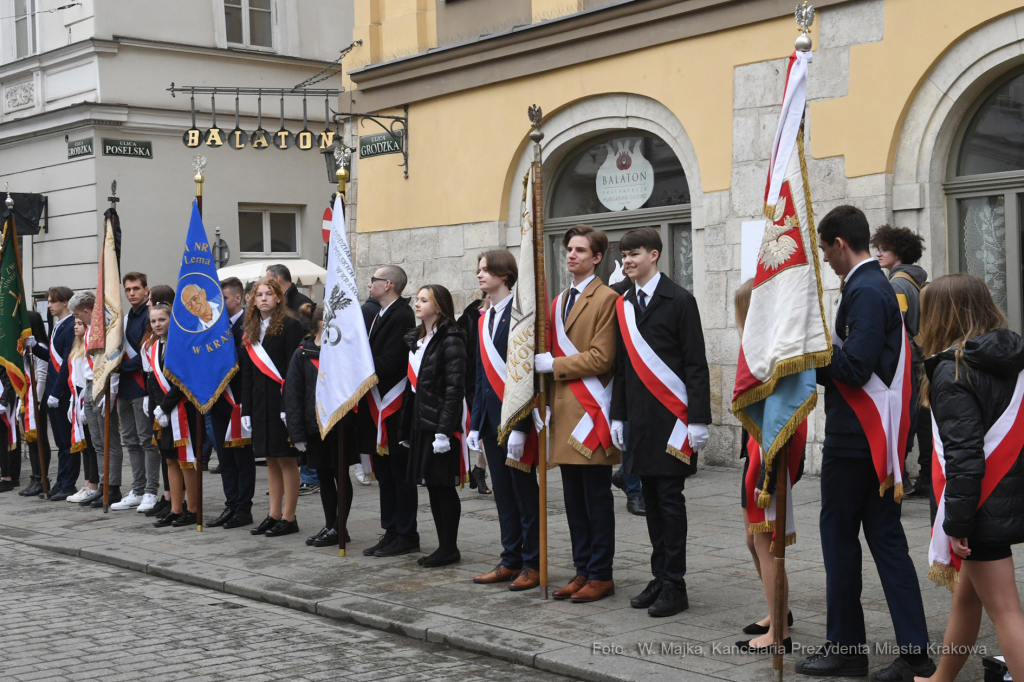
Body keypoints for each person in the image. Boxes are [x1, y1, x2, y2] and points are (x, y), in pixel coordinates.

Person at [798, 206, 933, 680]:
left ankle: (849, 648)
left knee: (842, 542)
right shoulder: (870, 285)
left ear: (840, 243)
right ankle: (912, 653)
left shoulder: (867, 289)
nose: (824, 259)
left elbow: (855, 368)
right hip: (865, 439)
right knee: (886, 542)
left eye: (825, 249)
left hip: (856, 441)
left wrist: (803, 355)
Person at [916, 274, 1024, 682]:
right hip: (1002, 496)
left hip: (981, 506)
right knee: (967, 599)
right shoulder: (1007, 358)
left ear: (941, 316)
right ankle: (941, 678)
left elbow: (963, 456)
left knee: (1006, 611)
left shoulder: (953, 371)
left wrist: (957, 523)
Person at [609, 227, 711, 618]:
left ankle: (676, 585)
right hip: (639, 421)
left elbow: (696, 364)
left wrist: (698, 419)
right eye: (624, 255)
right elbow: (622, 366)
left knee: (669, 502)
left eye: (634, 254)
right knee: (650, 503)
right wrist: (618, 414)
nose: (627, 261)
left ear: (654, 255)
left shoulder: (680, 300)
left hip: (673, 422)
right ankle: (660, 576)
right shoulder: (623, 302)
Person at [535, 224, 619, 604]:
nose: (572, 254)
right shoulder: (558, 301)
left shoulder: (607, 299)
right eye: (569, 248)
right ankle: (582, 569)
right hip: (564, 413)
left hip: (591, 413)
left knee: (596, 499)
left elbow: (602, 358)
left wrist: (554, 365)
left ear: (597, 257)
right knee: (573, 500)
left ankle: (601, 574)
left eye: (581, 250)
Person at [729, 277, 804, 651]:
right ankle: (778, 612)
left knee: (765, 542)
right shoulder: (761, 348)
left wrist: (765, 472)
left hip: (768, 454)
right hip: (757, 451)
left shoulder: (770, 352)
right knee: (754, 539)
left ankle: (779, 636)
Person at [468, 251, 540, 591]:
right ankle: (510, 558)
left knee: (525, 496)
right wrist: (475, 423)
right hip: (490, 422)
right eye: (479, 269)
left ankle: (533, 562)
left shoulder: (522, 315)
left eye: (486, 270)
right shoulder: (484, 318)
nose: (480, 275)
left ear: (505, 275)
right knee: (503, 496)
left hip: (515, 422)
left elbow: (526, 377)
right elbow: (480, 376)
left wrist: (521, 427)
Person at [401, 284, 467, 567]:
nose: (417, 304)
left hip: (441, 424)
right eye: (417, 299)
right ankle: (443, 546)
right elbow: (413, 389)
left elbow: (454, 389)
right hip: (422, 423)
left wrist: (443, 431)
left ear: (438, 307)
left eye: (424, 300)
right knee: (432, 486)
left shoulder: (451, 339)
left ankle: (449, 547)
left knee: (443, 486)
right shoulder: (417, 338)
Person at [285, 306, 358, 548]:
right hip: (315, 427)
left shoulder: (341, 352)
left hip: (340, 425)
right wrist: (297, 433)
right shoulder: (302, 353)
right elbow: (293, 394)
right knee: (324, 477)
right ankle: (330, 525)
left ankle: (340, 527)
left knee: (340, 474)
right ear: (321, 325)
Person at [359, 265, 420, 558]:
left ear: (388, 284)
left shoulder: (402, 315)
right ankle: (391, 530)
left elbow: (392, 361)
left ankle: (406, 533)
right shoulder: (380, 313)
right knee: (384, 472)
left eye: (374, 280)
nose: (369, 284)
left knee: (399, 472)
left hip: (394, 406)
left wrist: (359, 369)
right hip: (378, 403)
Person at [241, 277, 304, 538]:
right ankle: (274, 514)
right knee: (270, 460)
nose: (264, 298)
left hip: (281, 403)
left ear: (278, 298)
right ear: (253, 300)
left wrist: (288, 404)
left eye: (269, 294)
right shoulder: (252, 328)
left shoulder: (290, 325)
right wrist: (245, 409)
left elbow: (294, 369)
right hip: (260, 404)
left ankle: (289, 517)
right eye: (259, 295)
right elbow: (247, 372)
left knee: (286, 459)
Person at [871, 225, 931, 500]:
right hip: (922, 359)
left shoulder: (896, 284)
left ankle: (901, 479)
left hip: (907, 361)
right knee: (923, 420)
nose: (878, 253)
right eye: (878, 248)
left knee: (903, 418)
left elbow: (897, 328)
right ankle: (927, 477)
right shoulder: (916, 280)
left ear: (900, 252)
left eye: (885, 249)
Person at [64, 291, 125, 508]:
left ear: (87, 311)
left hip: (103, 384)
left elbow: (111, 359)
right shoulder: (90, 331)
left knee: (109, 440)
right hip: (90, 386)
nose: (76, 318)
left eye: (77, 314)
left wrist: (111, 391)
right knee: (98, 441)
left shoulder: (104, 330)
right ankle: (102, 485)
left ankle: (113, 487)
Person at [206, 277, 256, 530]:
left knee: (241, 457)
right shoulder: (215, 327)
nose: (218, 304)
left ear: (238, 298)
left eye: (223, 299)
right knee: (225, 457)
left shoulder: (249, 325)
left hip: (238, 400)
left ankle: (243, 508)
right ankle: (231, 503)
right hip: (219, 399)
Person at [145, 303, 201, 528]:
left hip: (183, 410)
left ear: (172, 320)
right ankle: (176, 508)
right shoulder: (154, 346)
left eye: (162, 320)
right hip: (163, 412)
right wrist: (155, 408)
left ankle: (193, 509)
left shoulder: (182, 344)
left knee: (185, 460)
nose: (157, 324)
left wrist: (165, 407)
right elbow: (153, 380)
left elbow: (183, 381)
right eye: (153, 321)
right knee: (169, 459)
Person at [113, 272, 162, 512]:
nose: (131, 293)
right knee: (130, 441)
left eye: (136, 288)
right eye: (128, 289)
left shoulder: (149, 317)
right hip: (124, 388)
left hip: (143, 387)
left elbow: (147, 354)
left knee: (147, 441)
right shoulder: (125, 319)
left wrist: (117, 366)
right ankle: (138, 489)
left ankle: (151, 491)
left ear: (146, 290)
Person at [34, 286, 77, 500]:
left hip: (62, 392)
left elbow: (67, 363)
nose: (49, 305)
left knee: (68, 442)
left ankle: (69, 484)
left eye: (53, 301)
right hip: (53, 391)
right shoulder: (57, 325)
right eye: (49, 301)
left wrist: (57, 392)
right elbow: (52, 360)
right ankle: (60, 482)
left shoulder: (71, 325)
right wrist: (34, 347)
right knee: (60, 442)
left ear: (65, 302)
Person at [608, 274, 644, 516]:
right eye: (627, 256)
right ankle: (634, 493)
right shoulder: (616, 293)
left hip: (651, 375)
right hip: (622, 374)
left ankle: (623, 474)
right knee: (629, 438)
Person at [63, 298, 100, 504]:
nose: (76, 325)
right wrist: (73, 403)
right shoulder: (76, 347)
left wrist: (84, 401)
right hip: (77, 397)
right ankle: (87, 483)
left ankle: (94, 484)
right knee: (85, 444)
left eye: (79, 322)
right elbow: (74, 378)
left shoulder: (88, 343)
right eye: (75, 323)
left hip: (87, 394)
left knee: (92, 444)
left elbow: (88, 374)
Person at [457, 291, 491, 495]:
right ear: (485, 296)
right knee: (484, 428)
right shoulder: (470, 318)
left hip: (496, 379)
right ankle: (497, 474)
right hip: (474, 382)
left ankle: (479, 468)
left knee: (489, 428)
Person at [18, 310, 50, 497]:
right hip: (27, 398)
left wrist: (36, 401)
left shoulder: (40, 347)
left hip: (37, 398)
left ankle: (42, 478)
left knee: (40, 439)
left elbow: (41, 377)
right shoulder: (24, 349)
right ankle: (35, 476)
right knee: (30, 440)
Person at [267, 264, 313, 329]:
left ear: (277, 279)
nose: (267, 285)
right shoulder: (275, 302)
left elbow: (307, 331)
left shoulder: (304, 303)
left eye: (268, 281)